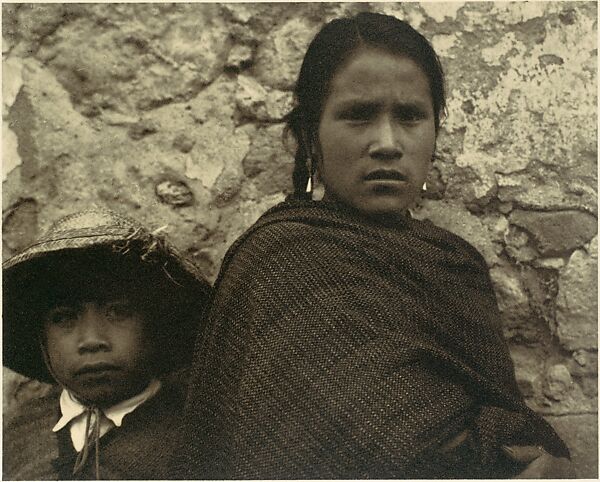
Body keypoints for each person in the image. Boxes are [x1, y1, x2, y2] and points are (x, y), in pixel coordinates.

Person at [173, 12, 571, 479]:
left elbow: (508, 429)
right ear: (310, 135)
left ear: (434, 133)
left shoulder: (456, 266)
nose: (387, 143)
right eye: (357, 115)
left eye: (409, 117)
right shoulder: (277, 265)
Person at [2, 209, 211, 480]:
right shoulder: (18, 434)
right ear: (41, 337)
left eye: (119, 312)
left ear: (155, 326)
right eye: (64, 317)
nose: (91, 340)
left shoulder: (197, 436)